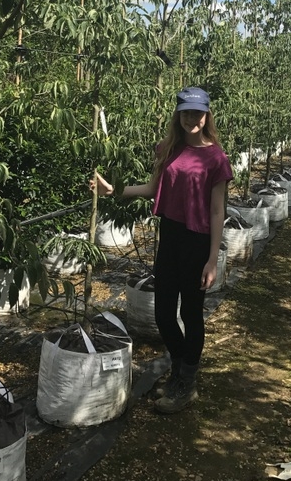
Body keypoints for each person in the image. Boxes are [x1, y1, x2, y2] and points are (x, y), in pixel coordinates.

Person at [91, 86, 233, 414]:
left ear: (207, 115)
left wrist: (212, 259)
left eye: (197, 113)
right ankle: (182, 372)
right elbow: (153, 188)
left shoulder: (217, 159)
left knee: (190, 313)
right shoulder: (168, 149)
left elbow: (216, 211)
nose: (191, 119)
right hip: (169, 234)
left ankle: (186, 380)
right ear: (178, 114)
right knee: (164, 314)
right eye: (185, 112)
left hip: (197, 240)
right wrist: (114, 190)